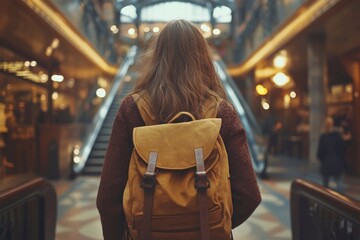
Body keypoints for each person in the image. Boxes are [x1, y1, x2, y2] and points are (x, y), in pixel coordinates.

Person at [97, 20, 261, 239]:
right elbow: (249, 194)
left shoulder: (132, 108)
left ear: (156, 57)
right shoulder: (222, 112)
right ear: (203, 58)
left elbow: (107, 198)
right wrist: (213, 223)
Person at [316, 116, 346, 192]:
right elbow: (342, 149)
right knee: (339, 183)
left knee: (325, 186)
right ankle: (342, 201)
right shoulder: (338, 135)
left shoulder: (323, 137)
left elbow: (320, 152)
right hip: (337, 162)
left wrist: (321, 159)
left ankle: (326, 201)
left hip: (326, 163)